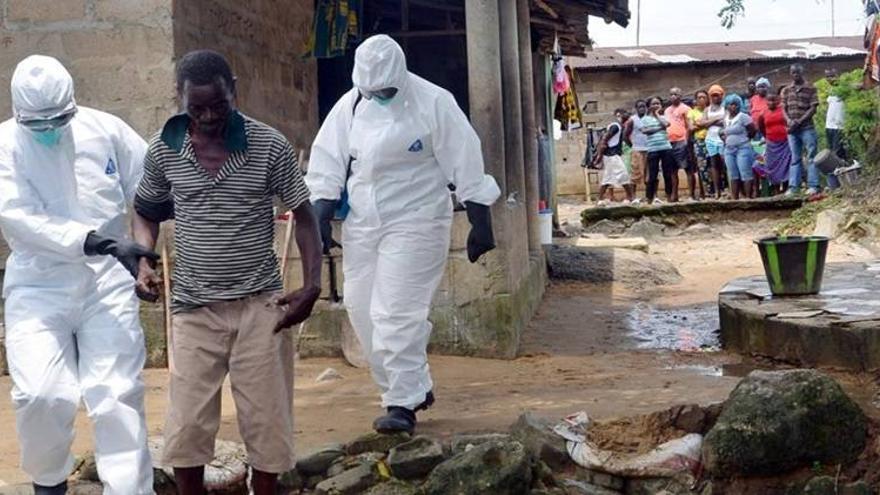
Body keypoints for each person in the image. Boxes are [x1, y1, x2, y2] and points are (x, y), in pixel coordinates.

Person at [132, 50, 323, 495]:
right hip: (194, 309)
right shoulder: (165, 149)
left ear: (234, 89)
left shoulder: (269, 145)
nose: (209, 116)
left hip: (261, 306)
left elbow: (306, 215)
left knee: (267, 421)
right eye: (196, 108)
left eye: (219, 104)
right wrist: (142, 260)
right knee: (187, 425)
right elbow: (145, 213)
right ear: (179, 99)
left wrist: (311, 285)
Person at [306, 35, 500, 434]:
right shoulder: (351, 105)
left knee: (395, 312)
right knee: (360, 309)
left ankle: (401, 402)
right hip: (363, 221)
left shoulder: (434, 102)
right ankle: (413, 385)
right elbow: (327, 163)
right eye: (371, 91)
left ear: (402, 75)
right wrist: (320, 218)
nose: (379, 96)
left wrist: (481, 222)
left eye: (386, 90)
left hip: (418, 219)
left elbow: (465, 161)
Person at [0, 55, 156, 494]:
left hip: (107, 283)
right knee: (40, 394)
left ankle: (128, 489)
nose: (50, 129)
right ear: (17, 112)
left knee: (116, 394)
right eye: (38, 124)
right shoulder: (4, 145)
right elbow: (18, 218)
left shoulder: (106, 130)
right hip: (38, 283)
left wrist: (144, 256)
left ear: (73, 103)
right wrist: (104, 242)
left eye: (59, 119)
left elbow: (149, 188)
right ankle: (49, 482)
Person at [782, 63, 825, 194]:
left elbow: (813, 108)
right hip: (792, 130)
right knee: (795, 158)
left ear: (802, 72)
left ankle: (813, 185)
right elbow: (783, 108)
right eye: (793, 72)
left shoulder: (810, 88)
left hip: (807, 127)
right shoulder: (787, 90)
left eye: (797, 72)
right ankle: (794, 187)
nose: (795, 74)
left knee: (811, 156)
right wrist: (789, 121)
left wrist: (799, 121)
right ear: (790, 73)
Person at [592, 108, 634, 204]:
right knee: (623, 175)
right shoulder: (616, 126)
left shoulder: (619, 126)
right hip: (612, 155)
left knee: (608, 177)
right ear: (619, 114)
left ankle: (600, 199)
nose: (628, 115)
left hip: (611, 155)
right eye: (625, 113)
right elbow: (604, 140)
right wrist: (599, 156)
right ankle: (630, 197)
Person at [721, 94, 758, 199]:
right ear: (727, 106)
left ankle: (748, 197)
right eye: (731, 104)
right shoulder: (725, 118)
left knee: (745, 172)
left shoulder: (743, 117)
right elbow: (724, 132)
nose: (733, 107)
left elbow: (753, 130)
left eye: (736, 105)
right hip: (729, 149)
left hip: (743, 148)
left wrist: (745, 139)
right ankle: (735, 198)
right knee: (733, 174)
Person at [642, 96, 676, 204]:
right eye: (653, 104)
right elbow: (645, 131)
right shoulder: (645, 119)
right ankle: (649, 198)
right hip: (653, 149)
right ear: (648, 106)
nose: (656, 106)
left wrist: (657, 115)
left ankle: (669, 196)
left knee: (667, 173)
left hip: (666, 148)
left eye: (658, 104)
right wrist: (659, 128)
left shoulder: (663, 116)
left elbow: (666, 124)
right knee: (652, 175)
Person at [757, 90, 792, 194]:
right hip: (771, 144)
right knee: (772, 166)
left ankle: (785, 188)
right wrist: (767, 137)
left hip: (785, 143)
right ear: (766, 102)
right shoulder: (763, 113)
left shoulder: (783, 110)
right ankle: (777, 190)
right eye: (769, 101)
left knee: (786, 165)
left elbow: (788, 123)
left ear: (778, 100)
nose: (771, 103)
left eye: (774, 100)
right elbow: (761, 127)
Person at [663, 87, 691, 202]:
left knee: (687, 169)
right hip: (669, 142)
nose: (673, 96)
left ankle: (691, 195)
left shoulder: (686, 109)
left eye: (676, 94)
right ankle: (675, 195)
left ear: (680, 96)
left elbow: (689, 126)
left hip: (682, 141)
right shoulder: (667, 110)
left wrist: (686, 141)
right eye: (671, 94)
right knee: (672, 171)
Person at [701, 85, 728, 198]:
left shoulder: (725, 108)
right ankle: (717, 191)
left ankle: (728, 188)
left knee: (725, 163)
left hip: (722, 138)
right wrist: (717, 120)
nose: (715, 98)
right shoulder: (707, 109)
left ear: (722, 95)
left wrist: (710, 122)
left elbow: (725, 122)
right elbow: (702, 124)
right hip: (710, 139)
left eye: (717, 95)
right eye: (713, 95)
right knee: (713, 164)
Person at [624, 99, 649, 201]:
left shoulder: (649, 119)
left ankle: (649, 195)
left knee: (648, 174)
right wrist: (633, 145)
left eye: (644, 106)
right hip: (637, 149)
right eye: (640, 107)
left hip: (648, 149)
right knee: (635, 173)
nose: (642, 109)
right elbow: (625, 136)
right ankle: (633, 197)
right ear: (636, 108)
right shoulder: (632, 120)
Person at [687, 90, 710, 199]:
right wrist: (708, 123)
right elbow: (691, 128)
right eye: (699, 97)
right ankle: (705, 193)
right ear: (695, 100)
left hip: (713, 140)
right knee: (702, 168)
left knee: (715, 166)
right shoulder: (692, 112)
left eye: (704, 97)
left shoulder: (711, 110)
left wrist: (700, 123)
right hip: (700, 142)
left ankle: (718, 191)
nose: (702, 99)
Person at [824, 68, 848, 161]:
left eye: (832, 76)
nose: (830, 78)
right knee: (833, 151)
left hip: (839, 126)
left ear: (838, 76)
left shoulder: (844, 88)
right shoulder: (830, 90)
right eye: (827, 76)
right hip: (829, 125)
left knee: (837, 152)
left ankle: (842, 172)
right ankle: (839, 173)